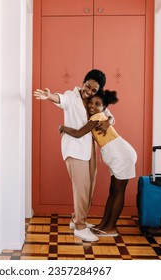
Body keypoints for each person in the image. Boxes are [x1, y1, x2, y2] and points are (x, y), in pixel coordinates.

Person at [33, 69, 112, 242]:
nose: (88, 92)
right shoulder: (72, 96)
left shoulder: (93, 101)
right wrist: (49, 96)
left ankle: (76, 219)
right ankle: (80, 227)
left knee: (89, 188)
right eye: (87, 86)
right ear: (83, 82)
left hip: (90, 149)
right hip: (74, 149)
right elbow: (61, 99)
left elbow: (109, 116)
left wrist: (108, 121)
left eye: (93, 90)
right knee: (81, 189)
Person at [59, 90, 137, 237]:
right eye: (91, 103)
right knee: (113, 192)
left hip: (122, 156)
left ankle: (111, 227)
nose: (92, 106)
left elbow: (78, 133)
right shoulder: (99, 116)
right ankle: (104, 225)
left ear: (104, 107)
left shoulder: (97, 117)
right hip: (118, 156)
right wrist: (109, 120)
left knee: (118, 192)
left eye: (97, 104)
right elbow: (108, 118)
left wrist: (62, 128)